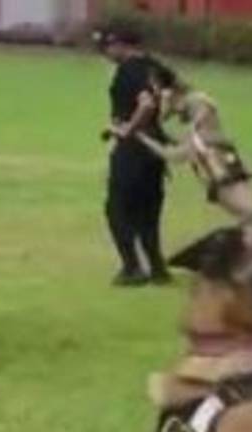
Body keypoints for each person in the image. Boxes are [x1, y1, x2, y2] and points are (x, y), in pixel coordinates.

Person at [95, 24, 172, 287]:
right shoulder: (154, 66)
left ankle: (132, 267)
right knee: (148, 210)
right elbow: (175, 92)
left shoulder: (130, 69)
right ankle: (158, 269)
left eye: (107, 47)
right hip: (155, 148)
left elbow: (147, 103)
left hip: (134, 148)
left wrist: (127, 129)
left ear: (121, 45)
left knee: (116, 208)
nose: (105, 53)